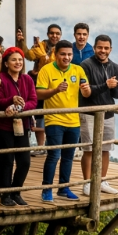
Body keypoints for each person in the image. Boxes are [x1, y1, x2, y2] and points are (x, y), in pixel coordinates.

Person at [35, 40, 91, 203]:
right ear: (55, 54)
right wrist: (55, 90)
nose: (66, 57)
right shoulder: (46, 70)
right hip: (54, 119)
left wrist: (86, 91)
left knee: (68, 156)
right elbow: (38, 94)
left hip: (73, 121)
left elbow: (86, 93)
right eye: (63, 54)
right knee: (54, 155)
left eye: (69, 54)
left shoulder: (78, 70)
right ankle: (47, 189)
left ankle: (64, 188)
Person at [79, 34, 118, 196]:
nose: (103, 51)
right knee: (89, 149)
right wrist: (106, 85)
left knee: (106, 149)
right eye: (100, 47)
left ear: (110, 49)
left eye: (106, 48)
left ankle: (102, 180)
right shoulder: (85, 65)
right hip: (89, 112)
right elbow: (86, 92)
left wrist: (114, 87)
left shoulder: (115, 67)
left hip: (108, 113)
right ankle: (87, 183)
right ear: (94, 48)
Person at [0, 47, 37, 206]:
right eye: (14, 59)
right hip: (4, 127)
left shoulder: (27, 79)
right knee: (6, 161)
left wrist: (19, 107)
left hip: (22, 125)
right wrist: (10, 100)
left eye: (20, 60)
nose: (18, 62)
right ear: (6, 63)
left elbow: (33, 100)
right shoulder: (0, 78)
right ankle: (5, 195)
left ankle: (16, 192)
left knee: (25, 161)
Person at [25, 24, 63, 157]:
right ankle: (41, 146)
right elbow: (28, 56)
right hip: (39, 83)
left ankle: (53, 146)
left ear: (60, 35)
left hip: (55, 83)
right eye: (52, 33)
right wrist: (22, 42)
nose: (54, 36)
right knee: (39, 114)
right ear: (48, 34)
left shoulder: (61, 48)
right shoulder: (40, 46)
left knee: (55, 115)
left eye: (57, 33)